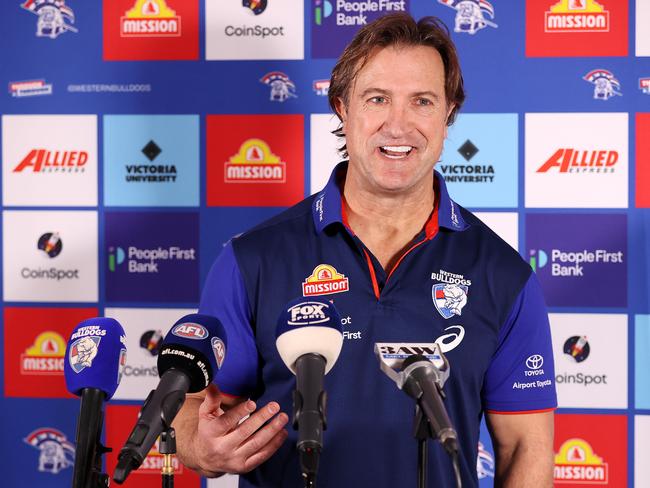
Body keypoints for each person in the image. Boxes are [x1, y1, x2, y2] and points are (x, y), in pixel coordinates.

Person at [174, 12, 557, 487]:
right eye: (377, 99)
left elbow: (526, 447)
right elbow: (195, 409)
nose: (398, 125)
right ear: (342, 107)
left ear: (448, 113)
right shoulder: (252, 259)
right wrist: (200, 446)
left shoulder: (504, 274)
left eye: (422, 101)